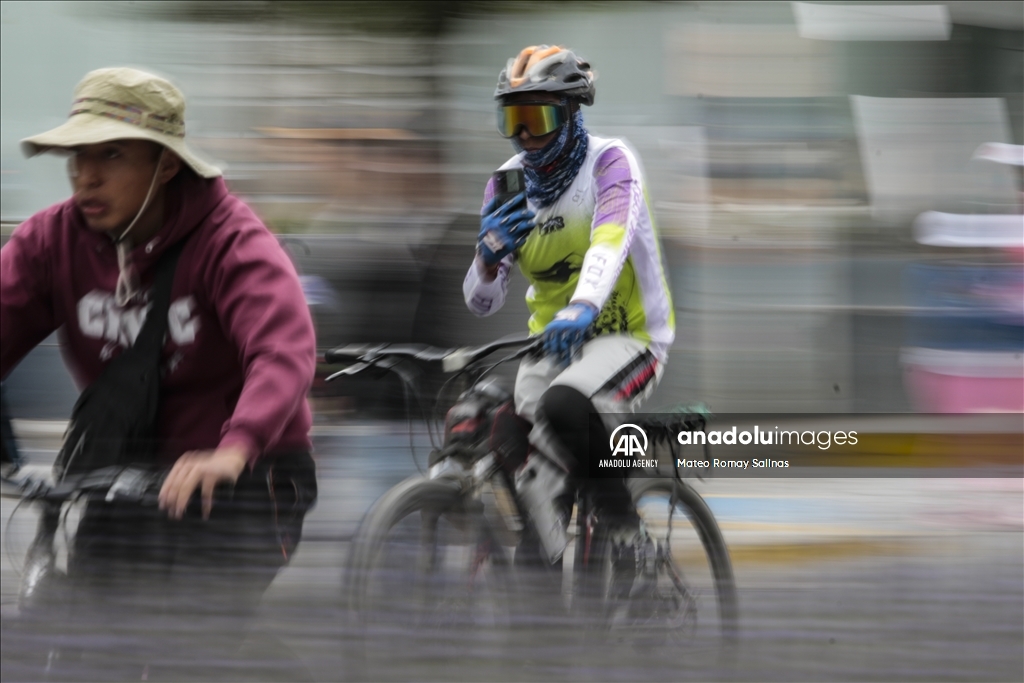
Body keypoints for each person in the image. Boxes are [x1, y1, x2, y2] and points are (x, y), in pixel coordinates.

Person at [0, 67, 317, 673]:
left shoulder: (232, 242)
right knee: (86, 652)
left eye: (111, 154)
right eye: (76, 155)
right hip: (122, 469)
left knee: (184, 655)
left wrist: (233, 449)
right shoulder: (52, 242)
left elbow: (284, 351)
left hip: (244, 477)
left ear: (166, 164)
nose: (85, 175)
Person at [463, 46, 675, 607]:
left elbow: (610, 242)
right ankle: (549, 589)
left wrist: (582, 307)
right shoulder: (505, 187)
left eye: (539, 117)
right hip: (553, 348)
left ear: (572, 111)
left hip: (627, 336)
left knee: (561, 406)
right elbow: (482, 302)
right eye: (514, 119)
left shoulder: (611, 163)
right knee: (506, 438)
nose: (526, 136)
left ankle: (626, 531)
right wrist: (486, 259)